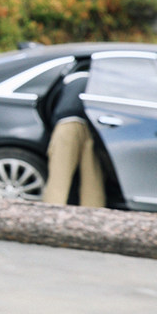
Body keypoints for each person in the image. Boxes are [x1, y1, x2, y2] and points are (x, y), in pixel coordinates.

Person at [42, 64, 106, 207]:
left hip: (66, 126)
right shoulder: (98, 82)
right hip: (90, 126)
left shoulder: (67, 80)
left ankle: (52, 209)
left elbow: (51, 106)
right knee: (92, 175)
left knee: (59, 176)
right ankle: (95, 212)